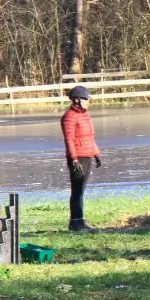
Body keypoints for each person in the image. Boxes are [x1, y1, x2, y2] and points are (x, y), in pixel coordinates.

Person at [61, 85, 101, 232]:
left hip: (88, 154)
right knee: (77, 190)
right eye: (86, 99)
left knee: (81, 190)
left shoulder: (85, 115)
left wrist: (96, 154)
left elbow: (90, 137)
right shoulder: (69, 117)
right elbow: (69, 140)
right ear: (77, 100)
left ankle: (80, 220)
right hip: (78, 157)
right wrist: (74, 159)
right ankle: (76, 222)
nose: (88, 101)